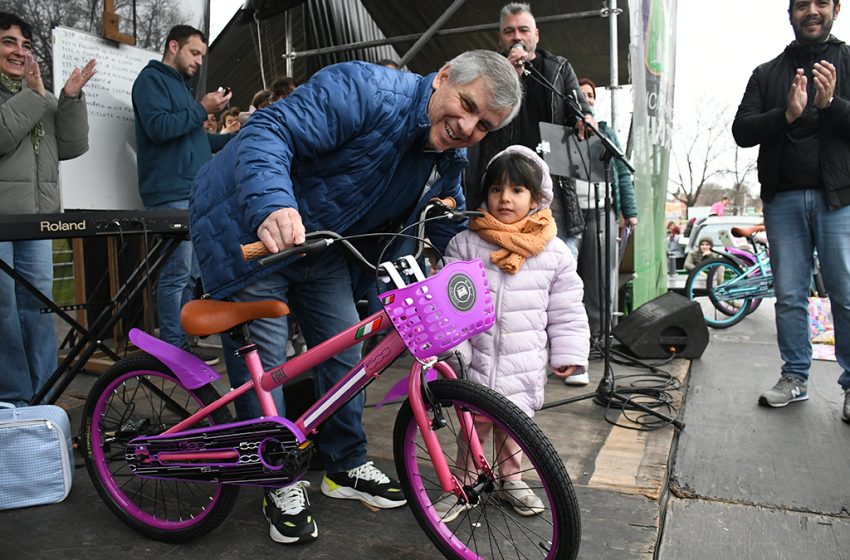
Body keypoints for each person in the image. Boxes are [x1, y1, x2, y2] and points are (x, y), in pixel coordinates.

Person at [189, 50, 523, 544]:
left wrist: (484, 233)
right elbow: (267, 132)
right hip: (250, 229)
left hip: (322, 247)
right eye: (467, 105)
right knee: (266, 359)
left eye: (483, 125)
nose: (467, 126)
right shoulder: (366, 91)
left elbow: (434, 217)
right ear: (444, 75)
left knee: (345, 351)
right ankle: (279, 479)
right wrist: (274, 204)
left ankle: (344, 465)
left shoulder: (447, 156)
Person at [442, 145, 589, 520]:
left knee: (514, 429)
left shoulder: (553, 253)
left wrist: (570, 354)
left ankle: (512, 480)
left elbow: (567, 309)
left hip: (522, 361)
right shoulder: (465, 243)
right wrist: (454, 351)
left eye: (517, 190)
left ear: (537, 198)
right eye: (495, 189)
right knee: (472, 430)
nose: (504, 198)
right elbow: (447, 303)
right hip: (474, 358)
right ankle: (464, 483)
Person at [732, 0, 850, 423]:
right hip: (782, 200)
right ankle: (795, 377)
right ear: (791, 13)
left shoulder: (848, 60)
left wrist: (832, 103)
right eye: (803, 4)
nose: (812, 11)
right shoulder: (767, 72)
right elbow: (741, 130)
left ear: (836, 8)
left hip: (839, 200)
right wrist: (787, 114)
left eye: (822, 3)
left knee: (846, 294)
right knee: (789, 296)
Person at [0, 12, 95, 406]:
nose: (19, 52)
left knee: (39, 309)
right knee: (2, 312)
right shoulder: (32, 97)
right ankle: (14, 398)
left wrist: (69, 99)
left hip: (37, 222)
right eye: (8, 41)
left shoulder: (36, 96)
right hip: (2, 224)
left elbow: (71, 146)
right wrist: (35, 97)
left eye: (25, 44)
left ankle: (44, 396)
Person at [132, 25, 232, 366]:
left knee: (188, 274)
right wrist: (202, 108)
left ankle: (183, 345)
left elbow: (198, 142)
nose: (199, 62)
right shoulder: (150, 81)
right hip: (169, 194)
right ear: (173, 46)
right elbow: (159, 128)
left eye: (202, 55)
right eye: (194, 53)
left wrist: (242, 132)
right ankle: (173, 349)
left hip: (191, 193)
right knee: (176, 274)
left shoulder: (179, 88)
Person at [466, 2, 594, 258]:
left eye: (523, 30)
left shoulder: (557, 69)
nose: (517, 37)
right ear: (500, 37)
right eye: (509, 31)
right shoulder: (489, 71)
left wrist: (585, 118)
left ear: (536, 34)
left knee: (554, 267)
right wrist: (509, 75)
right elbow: (478, 111)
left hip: (551, 189)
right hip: (502, 185)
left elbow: (578, 107)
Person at [573, 77, 638, 366]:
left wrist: (629, 211)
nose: (585, 99)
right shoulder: (561, 132)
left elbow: (622, 172)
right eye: (580, 95)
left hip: (601, 210)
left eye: (589, 95)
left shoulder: (604, 132)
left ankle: (598, 337)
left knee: (599, 277)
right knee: (570, 279)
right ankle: (573, 339)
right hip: (570, 212)